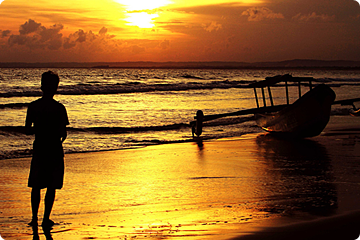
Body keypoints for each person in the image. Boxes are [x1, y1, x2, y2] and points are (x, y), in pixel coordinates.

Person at [25, 71, 69, 228]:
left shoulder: (33, 106)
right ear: (55, 88)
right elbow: (63, 133)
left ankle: (34, 218)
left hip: (40, 148)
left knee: (36, 185)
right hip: (54, 149)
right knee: (52, 186)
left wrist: (39, 130)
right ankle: (45, 218)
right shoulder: (59, 108)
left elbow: (27, 130)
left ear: (42, 86)